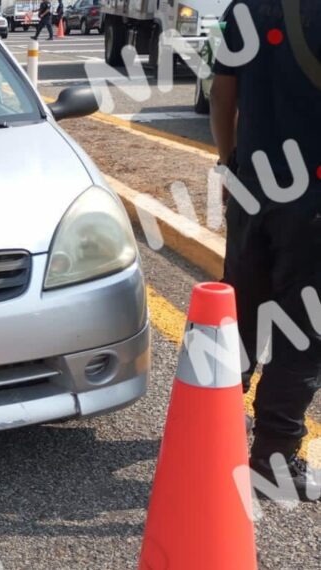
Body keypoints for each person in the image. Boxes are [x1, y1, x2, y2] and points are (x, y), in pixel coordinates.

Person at [211, 0, 321, 501]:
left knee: (242, 311)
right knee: (302, 327)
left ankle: (212, 431)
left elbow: (222, 93)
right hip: (311, 197)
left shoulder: (244, 8)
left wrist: (226, 164)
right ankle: (275, 459)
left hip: (251, 186)